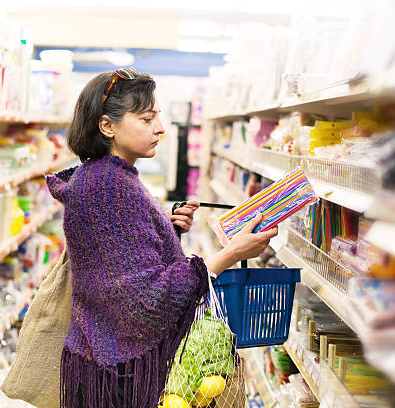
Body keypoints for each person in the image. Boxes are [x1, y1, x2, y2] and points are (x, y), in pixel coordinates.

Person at [46, 68, 278, 408]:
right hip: (118, 375)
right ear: (107, 126)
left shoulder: (106, 177)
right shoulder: (109, 186)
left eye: (158, 117)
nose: (160, 129)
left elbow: (119, 257)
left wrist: (164, 230)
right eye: (146, 119)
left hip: (103, 363)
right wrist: (228, 255)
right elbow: (144, 300)